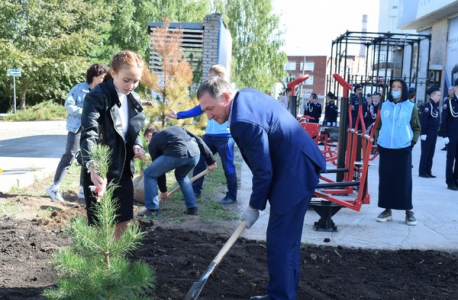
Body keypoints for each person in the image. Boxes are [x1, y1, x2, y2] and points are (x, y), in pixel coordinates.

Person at [197, 77, 326, 300]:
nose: (208, 116)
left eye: (210, 108)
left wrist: (254, 206)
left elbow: (263, 170)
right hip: (299, 164)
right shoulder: (245, 95)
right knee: (287, 238)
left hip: (295, 171)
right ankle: (284, 294)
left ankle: (280, 297)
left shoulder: (241, 122)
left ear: (226, 98)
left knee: (280, 239)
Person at [80, 50, 147, 239]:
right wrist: (93, 165)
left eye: (136, 81)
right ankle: (99, 265)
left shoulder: (134, 99)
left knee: (124, 219)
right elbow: (89, 131)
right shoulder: (98, 96)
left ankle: (116, 261)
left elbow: (133, 130)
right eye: (126, 80)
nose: (131, 86)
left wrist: (137, 145)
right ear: (114, 73)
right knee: (100, 224)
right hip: (100, 168)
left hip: (124, 168)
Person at [167, 65, 238, 204]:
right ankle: (195, 190)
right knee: (199, 162)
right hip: (209, 137)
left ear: (220, 76)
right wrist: (179, 115)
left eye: (212, 77)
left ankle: (231, 196)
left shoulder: (229, 95)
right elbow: (198, 109)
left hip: (225, 137)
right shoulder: (210, 96)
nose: (209, 80)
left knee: (227, 166)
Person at [46, 63, 108, 202]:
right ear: (94, 76)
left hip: (92, 130)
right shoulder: (78, 89)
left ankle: (82, 189)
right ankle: (54, 187)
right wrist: (87, 113)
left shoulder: (102, 91)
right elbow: (69, 106)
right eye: (102, 77)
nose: (104, 80)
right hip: (77, 128)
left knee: (87, 158)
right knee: (70, 156)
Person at [137, 126, 217, 217]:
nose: (148, 142)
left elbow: (159, 173)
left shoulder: (153, 141)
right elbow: (199, 140)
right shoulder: (177, 128)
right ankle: (192, 208)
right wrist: (211, 160)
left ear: (149, 135)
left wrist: (163, 191)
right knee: (181, 176)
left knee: (149, 173)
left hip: (177, 152)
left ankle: (152, 209)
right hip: (195, 154)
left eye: (147, 140)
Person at [375, 78, 421, 226]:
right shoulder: (385, 106)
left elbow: (417, 127)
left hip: (403, 147)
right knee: (386, 179)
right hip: (386, 147)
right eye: (393, 87)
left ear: (404, 89)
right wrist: (378, 140)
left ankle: (408, 211)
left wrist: (411, 142)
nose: (395, 89)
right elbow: (378, 126)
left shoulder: (410, 106)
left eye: (399, 87)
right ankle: (387, 210)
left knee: (404, 180)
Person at [418, 86, 441, 178]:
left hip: (434, 133)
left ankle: (428, 170)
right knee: (426, 152)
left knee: (431, 152)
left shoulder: (435, 106)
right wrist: (423, 133)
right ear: (432, 95)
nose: (439, 97)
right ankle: (422, 171)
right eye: (438, 95)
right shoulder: (428, 106)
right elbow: (424, 120)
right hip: (427, 133)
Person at [439, 79, 458, 191]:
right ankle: (449, 181)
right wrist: (444, 134)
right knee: (450, 158)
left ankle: (456, 179)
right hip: (451, 134)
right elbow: (444, 119)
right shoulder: (449, 102)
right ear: (455, 88)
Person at [441, 86, 455, 151]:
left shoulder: (455, 100)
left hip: (452, 120)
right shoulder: (447, 99)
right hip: (447, 119)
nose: (449, 91)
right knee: (446, 132)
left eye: (451, 90)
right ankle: (446, 145)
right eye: (449, 90)